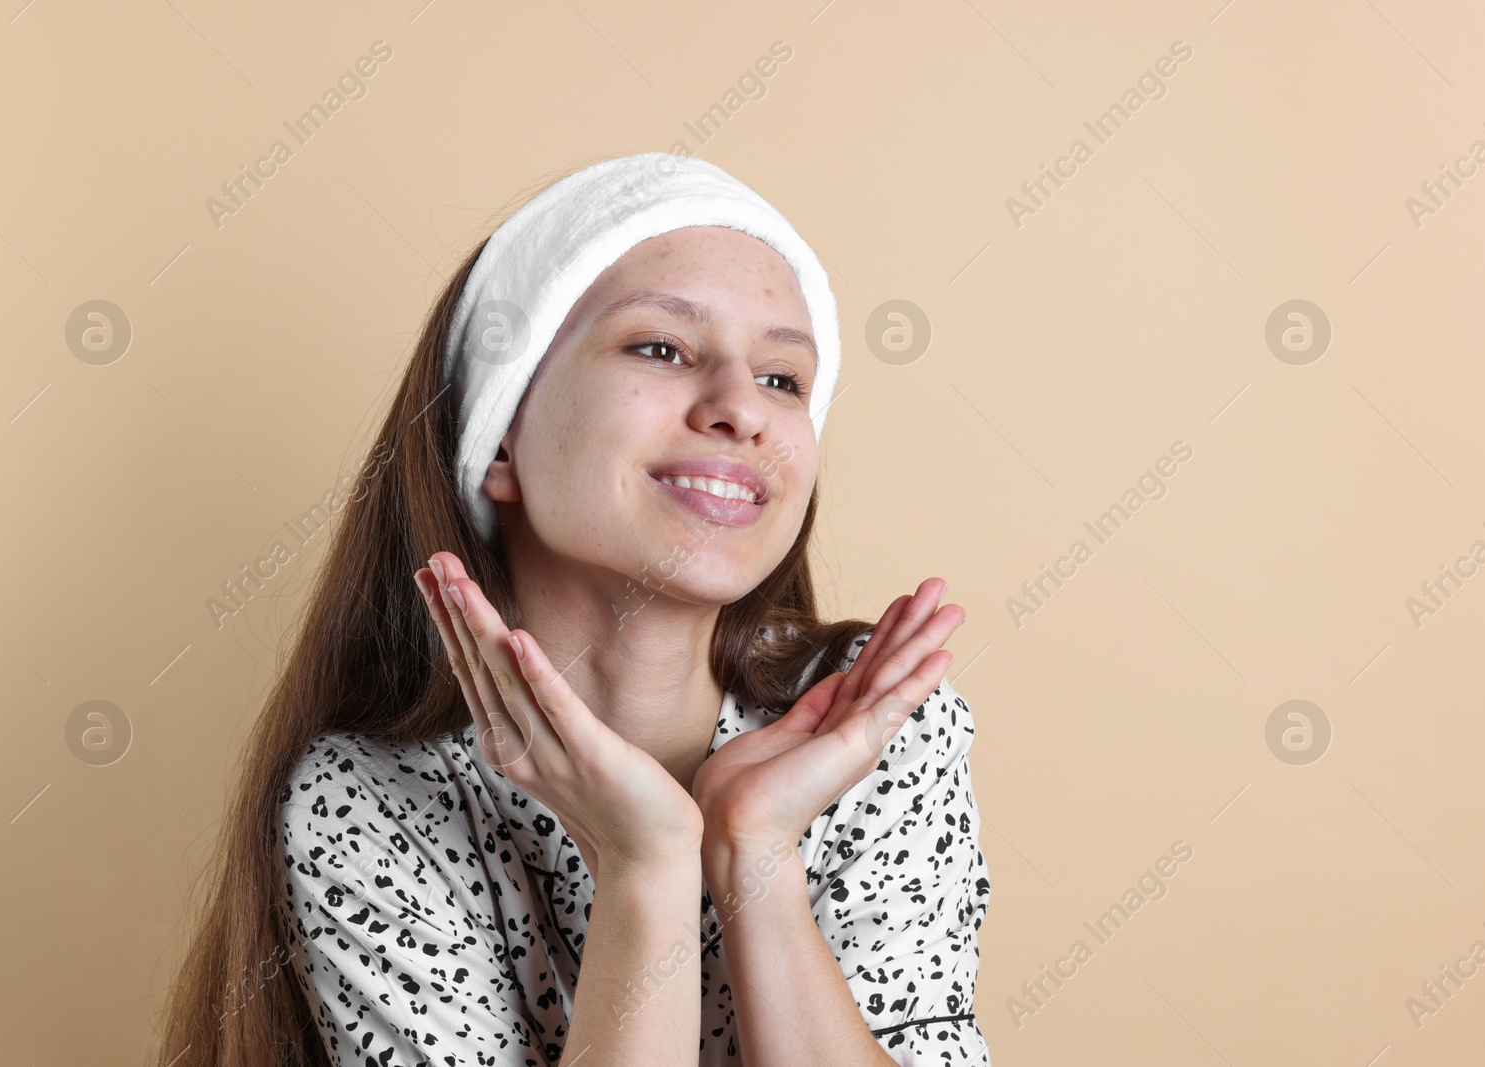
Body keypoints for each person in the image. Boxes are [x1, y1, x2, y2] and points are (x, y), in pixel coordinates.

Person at [152, 151, 990, 1067]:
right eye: (663, 348)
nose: (742, 409)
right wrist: (648, 868)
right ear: (500, 432)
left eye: (784, 378)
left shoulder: (869, 722)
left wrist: (757, 856)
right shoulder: (373, 799)